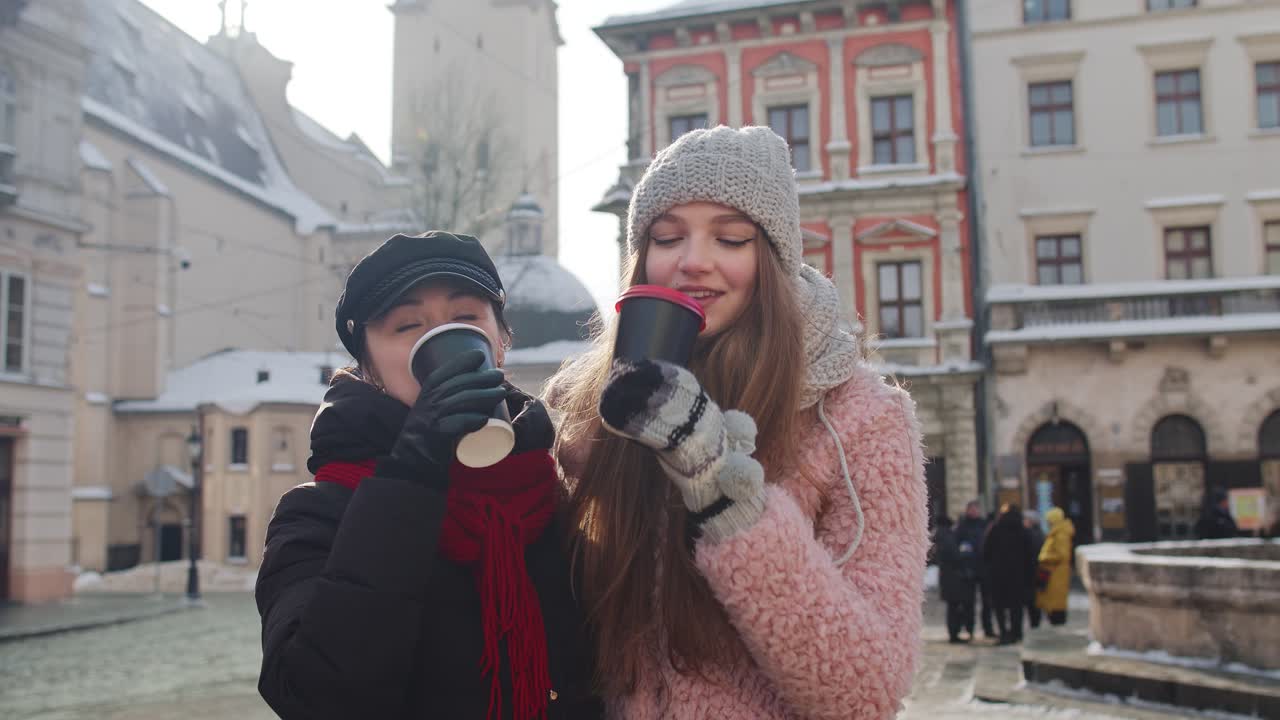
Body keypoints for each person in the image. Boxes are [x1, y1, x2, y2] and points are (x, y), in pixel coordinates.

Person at [546, 126, 929, 719]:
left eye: (730, 238)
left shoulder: (859, 417)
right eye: (667, 237)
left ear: (771, 258)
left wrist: (729, 500)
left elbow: (866, 692)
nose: (694, 262)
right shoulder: (590, 407)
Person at [255, 232, 601, 720]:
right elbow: (314, 696)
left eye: (466, 318)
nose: (440, 336)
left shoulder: (564, 493)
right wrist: (412, 473)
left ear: (500, 344)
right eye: (407, 325)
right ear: (369, 368)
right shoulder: (317, 513)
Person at [982, 504, 1036, 645]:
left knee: (999, 607)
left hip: (998, 576)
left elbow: (986, 552)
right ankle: (1017, 633)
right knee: (1016, 607)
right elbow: (1031, 556)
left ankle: (1003, 633)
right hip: (1018, 577)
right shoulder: (1023, 531)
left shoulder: (995, 529)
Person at [932, 515, 976, 644]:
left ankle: (954, 632)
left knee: (953, 606)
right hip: (953, 577)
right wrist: (964, 556)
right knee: (954, 606)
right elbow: (954, 556)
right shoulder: (946, 537)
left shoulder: (940, 535)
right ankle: (954, 633)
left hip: (948, 577)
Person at [955, 500, 993, 640]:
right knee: (968, 602)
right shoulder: (962, 526)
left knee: (987, 601)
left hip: (983, 567)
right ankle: (969, 628)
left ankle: (988, 628)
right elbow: (957, 544)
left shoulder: (984, 524)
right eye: (971, 509)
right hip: (968, 568)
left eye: (976, 509)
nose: (973, 511)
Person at [1036, 506, 1076, 626]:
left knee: (1056, 601)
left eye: (1049, 521)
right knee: (1052, 599)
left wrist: (1045, 557)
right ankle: (1055, 619)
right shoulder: (1057, 532)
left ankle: (1057, 621)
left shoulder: (1060, 534)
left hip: (1057, 573)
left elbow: (1062, 555)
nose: (1048, 523)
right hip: (1054, 572)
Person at [1022, 509, 1046, 629]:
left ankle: (1035, 622)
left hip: (1032, 570)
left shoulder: (1031, 534)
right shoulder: (1040, 533)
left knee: (1032, 599)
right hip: (1037, 570)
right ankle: (1035, 621)